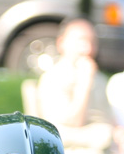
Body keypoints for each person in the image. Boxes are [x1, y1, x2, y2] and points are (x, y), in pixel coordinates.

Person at [35, 17, 113, 145]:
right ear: (61, 43)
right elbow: (69, 126)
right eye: (81, 41)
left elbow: (110, 121)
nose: (88, 49)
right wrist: (84, 84)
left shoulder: (99, 79)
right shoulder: (53, 79)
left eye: (92, 42)